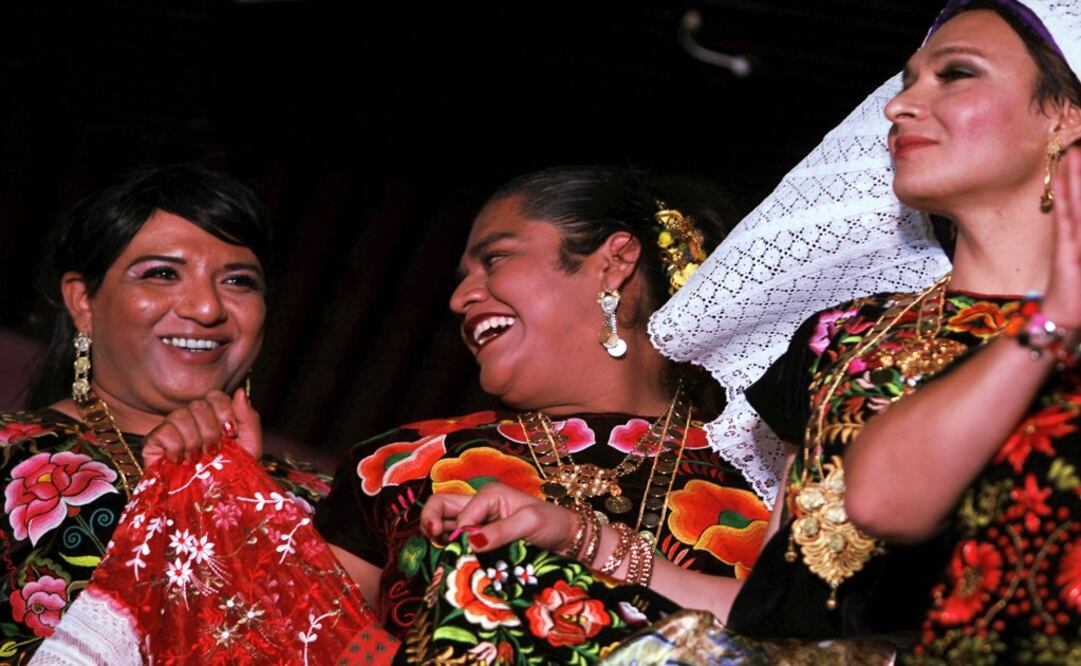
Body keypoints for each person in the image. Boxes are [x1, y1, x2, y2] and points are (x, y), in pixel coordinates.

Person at [649, 0, 1081, 660]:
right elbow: (780, 611)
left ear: (1065, 116)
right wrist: (584, 543)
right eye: (907, 81)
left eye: (955, 73)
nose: (899, 106)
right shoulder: (841, 338)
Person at [315, 166, 775, 663]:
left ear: (615, 261)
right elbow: (313, 643)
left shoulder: (770, 474)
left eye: (495, 258)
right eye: (463, 277)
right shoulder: (397, 465)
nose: (459, 298)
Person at [0, 164, 333, 661]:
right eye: (162, 274)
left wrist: (242, 502)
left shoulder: (328, 502)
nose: (207, 308)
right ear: (83, 300)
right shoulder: (11, 456)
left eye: (239, 281)